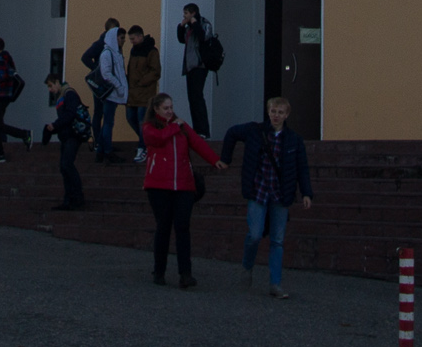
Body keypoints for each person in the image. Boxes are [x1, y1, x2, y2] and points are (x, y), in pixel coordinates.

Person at [222, 96, 316, 298]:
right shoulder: (255, 131)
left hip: (281, 193)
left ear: (287, 115)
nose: (276, 116)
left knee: (277, 240)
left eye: (280, 112)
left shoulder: (294, 139)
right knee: (254, 235)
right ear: (268, 112)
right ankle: (247, 266)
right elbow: (231, 133)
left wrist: (306, 193)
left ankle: (275, 283)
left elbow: (302, 168)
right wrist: (225, 159)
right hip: (258, 190)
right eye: (273, 111)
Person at [141, 94, 220, 287]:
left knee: (183, 227)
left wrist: (215, 160)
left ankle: (185, 273)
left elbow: (197, 143)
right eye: (166, 108)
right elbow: (157, 138)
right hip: (158, 185)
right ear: (156, 109)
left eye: (171, 107)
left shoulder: (181, 127)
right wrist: (174, 127)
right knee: (163, 227)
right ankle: (159, 270)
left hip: (183, 184)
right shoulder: (150, 127)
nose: (170, 111)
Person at [46, 75, 91, 210]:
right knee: (64, 167)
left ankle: (77, 197)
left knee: (67, 164)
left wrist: (55, 125)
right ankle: (69, 199)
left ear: (57, 82)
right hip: (67, 136)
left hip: (73, 135)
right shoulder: (62, 96)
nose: (50, 89)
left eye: (50, 85)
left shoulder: (69, 94)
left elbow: (70, 115)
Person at [89, 18, 128, 163]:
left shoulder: (115, 52)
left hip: (114, 94)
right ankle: (107, 151)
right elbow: (106, 74)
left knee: (108, 122)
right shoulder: (107, 53)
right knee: (108, 123)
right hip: (110, 94)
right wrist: (119, 86)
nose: (123, 41)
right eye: (121, 38)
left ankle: (101, 151)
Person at [0, 36, 27, 162]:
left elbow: (2, 76)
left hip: (0, 95)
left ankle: (24, 134)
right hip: (2, 95)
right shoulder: (5, 58)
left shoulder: (0, 60)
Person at [176, 3, 216, 136]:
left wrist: (194, 24)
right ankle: (197, 129)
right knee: (192, 98)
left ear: (193, 13)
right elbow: (181, 39)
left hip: (200, 65)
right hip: (189, 66)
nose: (184, 16)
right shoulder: (188, 27)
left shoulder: (204, 24)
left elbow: (203, 37)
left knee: (198, 97)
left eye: (186, 13)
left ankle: (203, 130)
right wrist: (181, 26)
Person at [125, 25, 159, 162]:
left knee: (142, 121)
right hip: (133, 93)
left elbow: (156, 71)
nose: (131, 41)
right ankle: (146, 142)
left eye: (133, 38)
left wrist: (141, 82)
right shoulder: (134, 51)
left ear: (140, 36)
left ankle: (142, 148)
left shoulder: (152, 51)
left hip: (145, 93)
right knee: (130, 118)